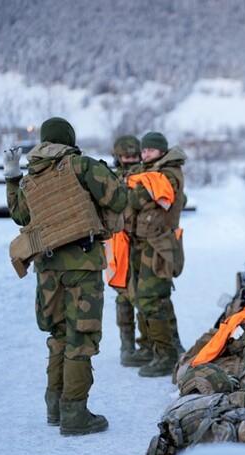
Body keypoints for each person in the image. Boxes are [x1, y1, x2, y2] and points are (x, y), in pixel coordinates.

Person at [5, 117, 127, 435]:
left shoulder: (32, 177)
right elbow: (119, 198)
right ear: (69, 140)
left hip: (47, 269)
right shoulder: (81, 165)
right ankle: (75, 413)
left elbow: (20, 215)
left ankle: (55, 406)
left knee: (58, 335)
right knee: (81, 338)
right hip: (82, 265)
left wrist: (11, 178)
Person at [125, 131, 187, 377]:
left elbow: (135, 198)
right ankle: (154, 346)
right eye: (144, 150)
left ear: (162, 151)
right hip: (142, 243)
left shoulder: (168, 173)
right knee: (146, 296)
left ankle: (166, 355)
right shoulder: (149, 173)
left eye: (150, 150)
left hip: (158, 245)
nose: (145, 153)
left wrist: (132, 189)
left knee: (152, 298)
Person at [106, 135, 152, 367]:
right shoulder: (110, 178)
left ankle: (148, 345)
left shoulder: (148, 176)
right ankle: (127, 346)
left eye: (135, 156)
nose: (131, 161)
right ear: (117, 157)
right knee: (123, 294)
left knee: (146, 295)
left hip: (143, 243)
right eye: (127, 157)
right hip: (118, 244)